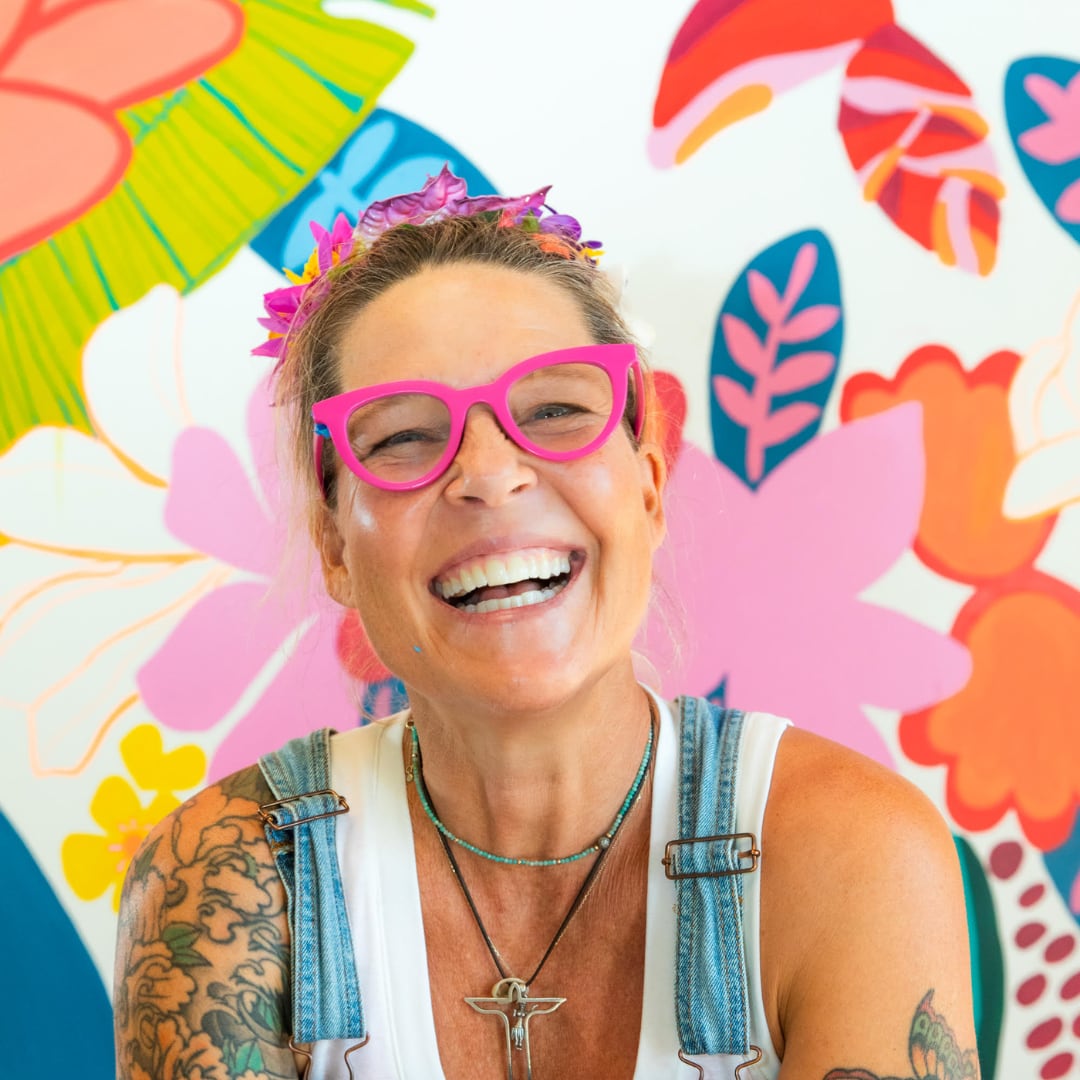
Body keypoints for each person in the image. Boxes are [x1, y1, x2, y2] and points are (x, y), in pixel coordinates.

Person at [114, 167, 979, 1080]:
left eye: (557, 411)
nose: (491, 476)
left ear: (648, 485)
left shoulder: (853, 856)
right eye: (403, 436)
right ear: (334, 542)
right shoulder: (227, 878)